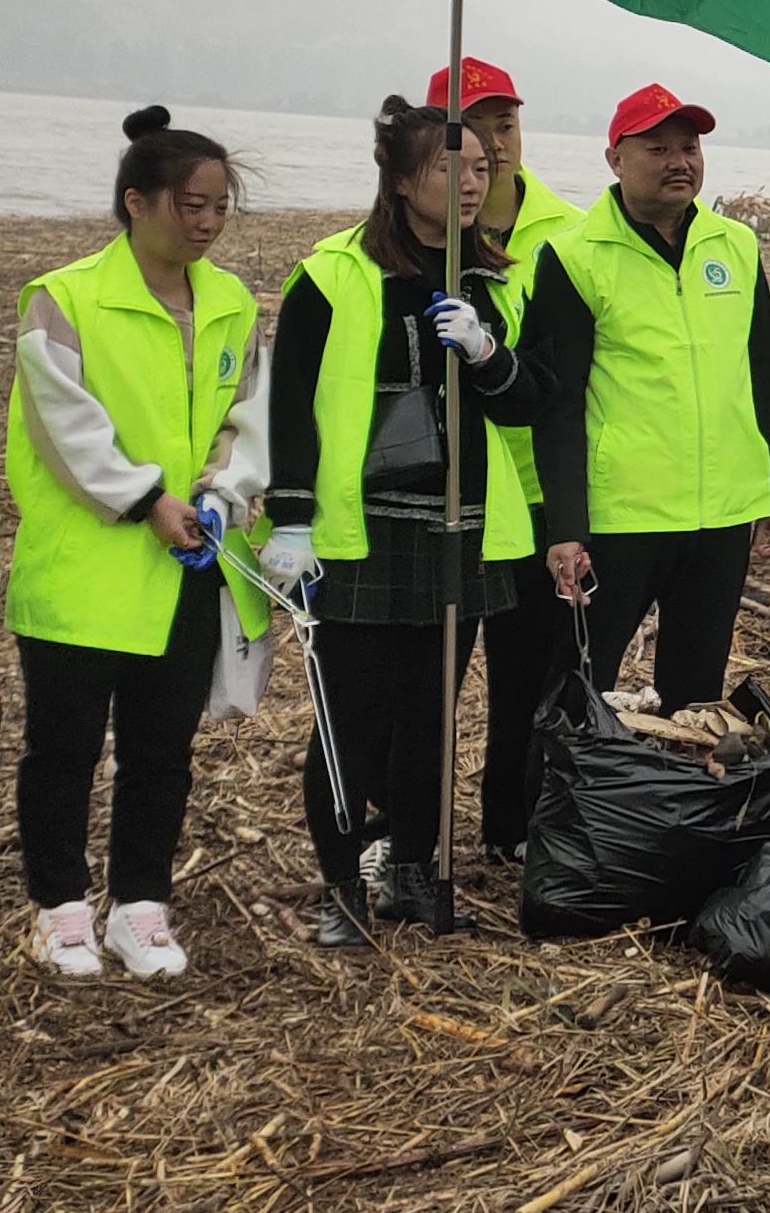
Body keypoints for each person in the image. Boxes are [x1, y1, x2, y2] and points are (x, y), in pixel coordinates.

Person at [3, 106, 271, 981]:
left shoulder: (230, 301)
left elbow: (248, 417)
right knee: (64, 748)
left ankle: (142, 906)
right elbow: (65, 426)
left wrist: (224, 492)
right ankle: (61, 909)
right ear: (136, 202)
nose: (206, 223)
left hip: (188, 564)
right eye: (191, 205)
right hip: (87, 568)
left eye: (220, 208)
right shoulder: (65, 295)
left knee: (161, 747)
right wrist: (147, 498)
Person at [267, 100, 537, 944]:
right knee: (349, 718)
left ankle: (413, 868)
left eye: (482, 170)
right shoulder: (333, 275)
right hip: (362, 527)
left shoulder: (493, 275)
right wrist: (291, 515)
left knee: (431, 712)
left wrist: (489, 355)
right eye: (446, 169)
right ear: (398, 176)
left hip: (460, 523)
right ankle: (342, 886)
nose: (468, 184)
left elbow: (530, 400)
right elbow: (291, 404)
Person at [519, 85, 770, 711]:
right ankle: (566, 810)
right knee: (580, 691)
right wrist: (566, 525)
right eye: (658, 147)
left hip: (720, 515)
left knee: (694, 698)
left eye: (690, 147)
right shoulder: (574, 256)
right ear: (615, 159)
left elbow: (762, 376)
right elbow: (558, 402)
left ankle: (672, 808)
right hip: (621, 518)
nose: (680, 161)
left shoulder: (736, 246)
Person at [429, 58, 582, 865]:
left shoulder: (570, 232)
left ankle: (512, 827)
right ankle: (407, 833)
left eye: (506, 124)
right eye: (472, 129)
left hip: (538, 498)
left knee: (532, 677)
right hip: (447, 495)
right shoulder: (414, 240)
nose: (493, 144)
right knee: (429, 683)